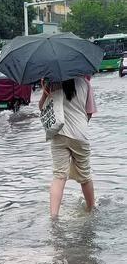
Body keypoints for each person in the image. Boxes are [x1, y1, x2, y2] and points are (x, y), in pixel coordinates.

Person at [39, 77, 97, 218]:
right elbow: (89, 112)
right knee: (85, 176)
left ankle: (53, 217)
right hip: (79, 135)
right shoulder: (85, 83)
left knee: (59, 176)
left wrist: (45, 88)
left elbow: (42, 107)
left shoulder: (52, 82)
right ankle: (91, 209)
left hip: (58, 133)